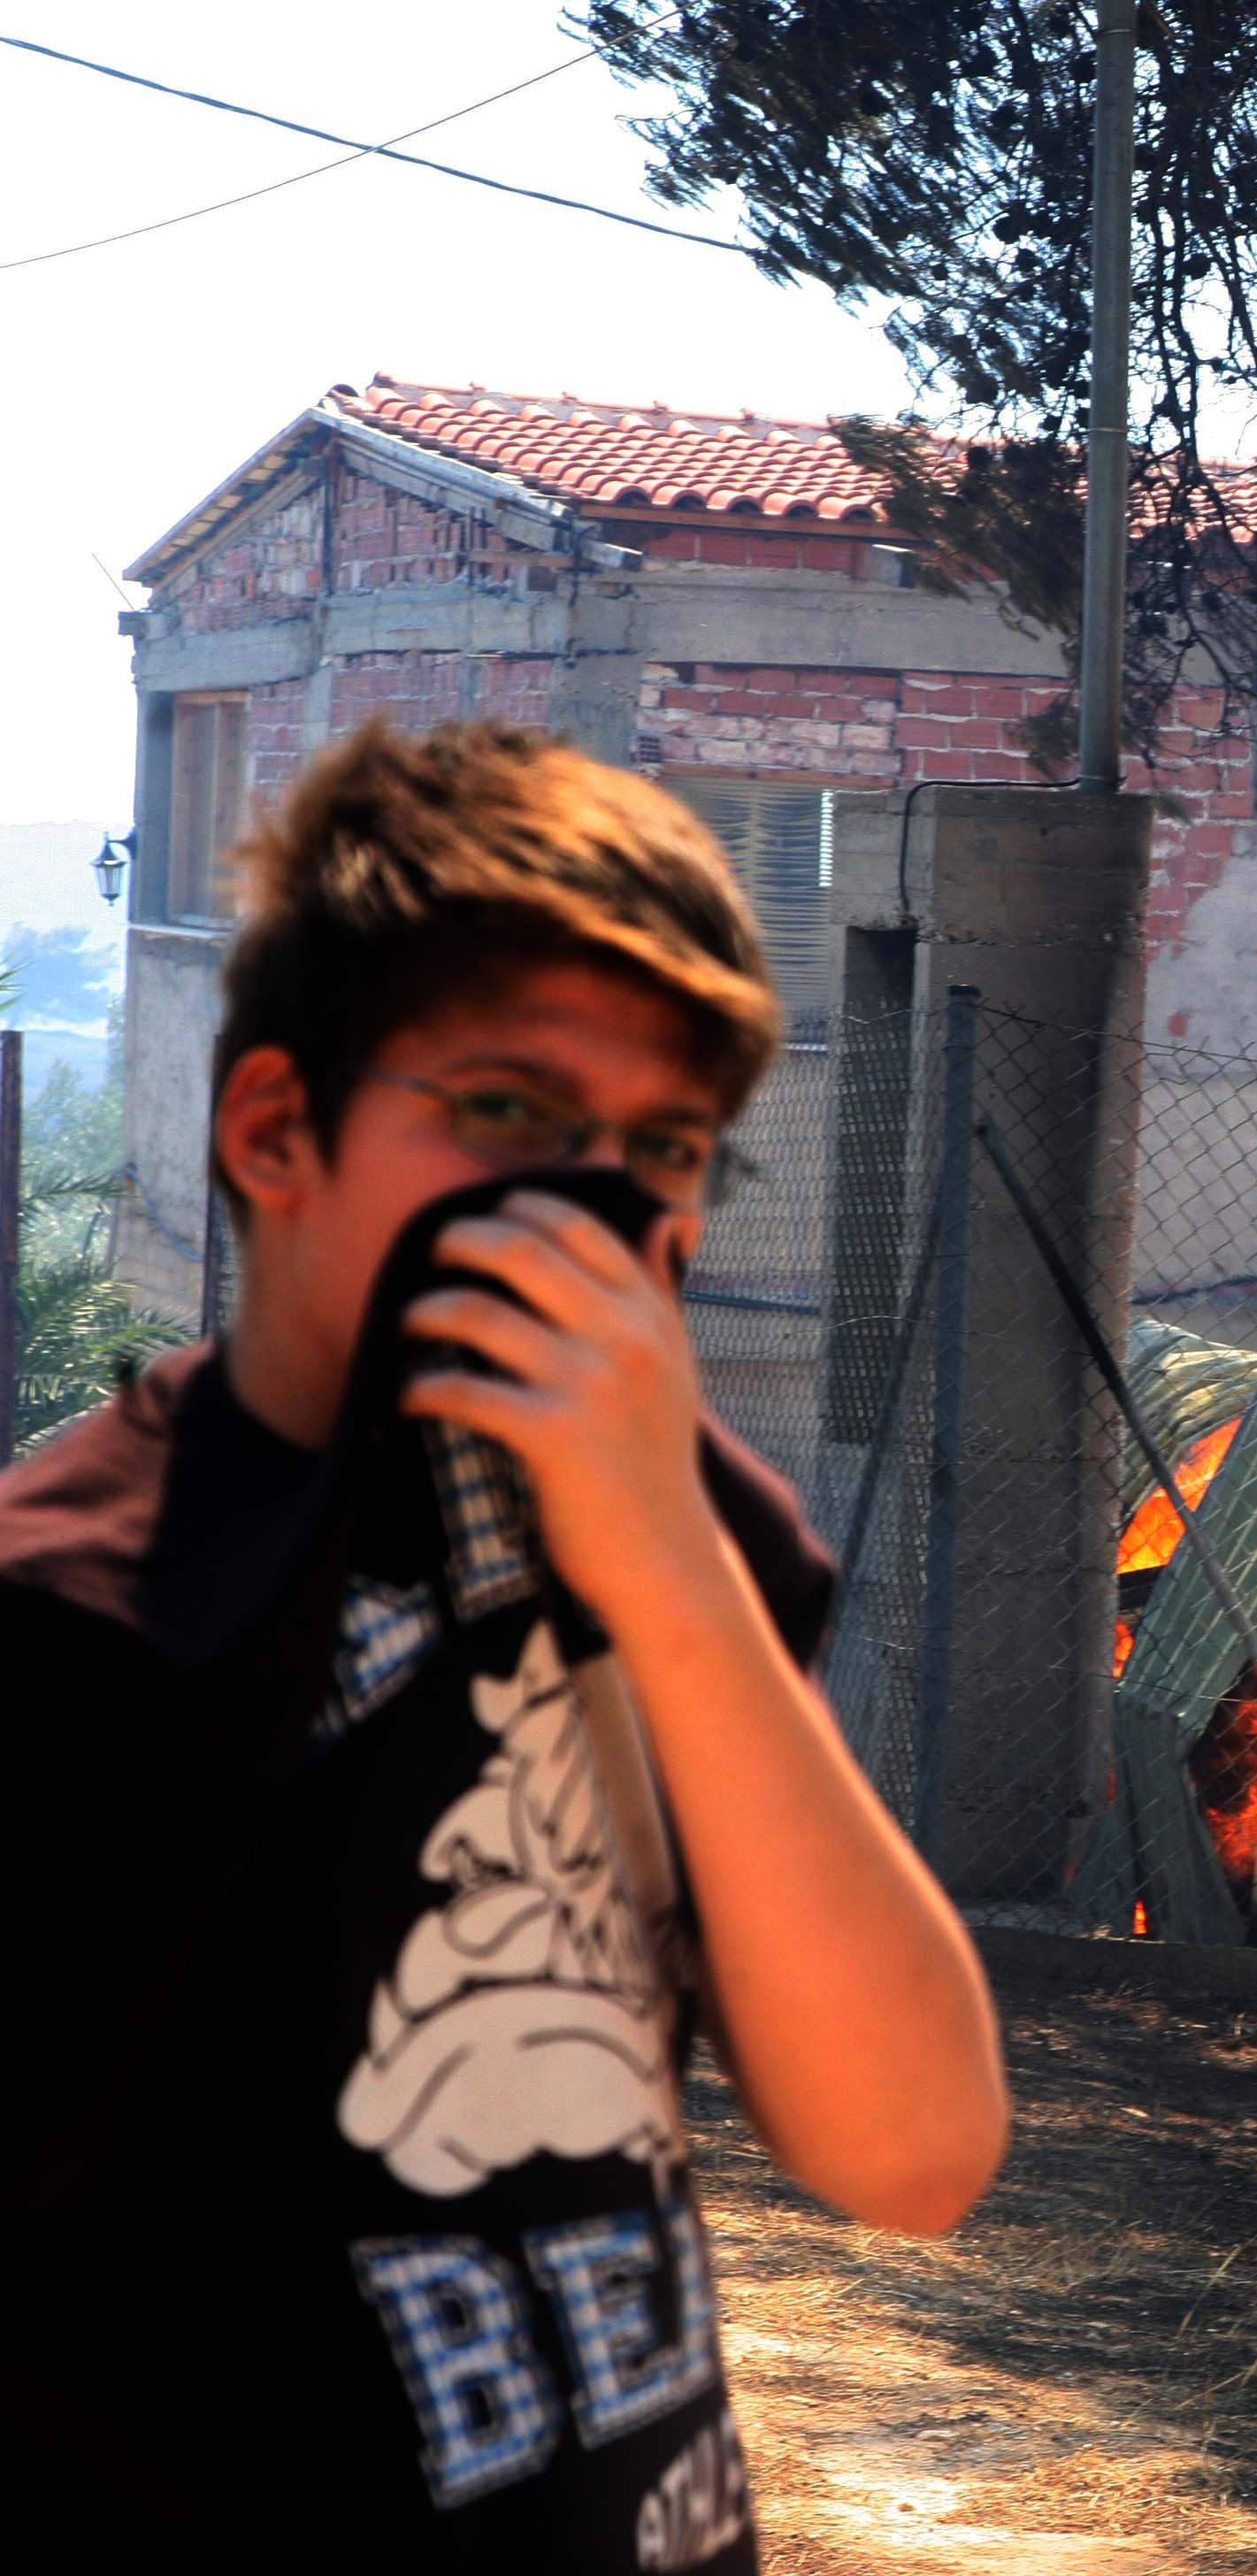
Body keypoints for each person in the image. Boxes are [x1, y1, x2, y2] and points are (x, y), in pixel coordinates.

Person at [0, 722, 1008, 2567]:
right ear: (275, 1127)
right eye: (507, 1114)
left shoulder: (694, 1534)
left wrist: (674, 1581)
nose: (598, 1206)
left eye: (667, 1149)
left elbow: (915, 2147)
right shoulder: (81, 1610)